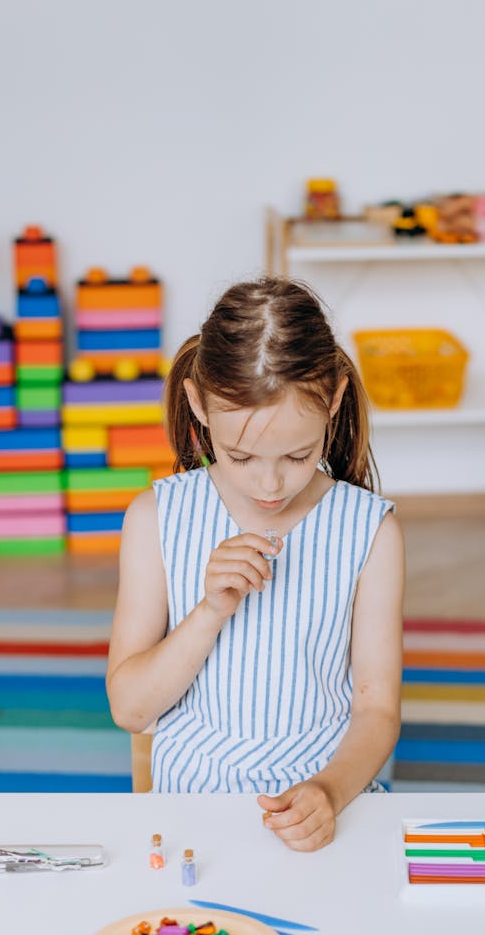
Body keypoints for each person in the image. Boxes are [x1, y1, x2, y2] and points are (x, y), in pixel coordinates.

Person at [107, 277, 404, 852]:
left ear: (335, 401)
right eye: (241, 456)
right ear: (198, 404)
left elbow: (377, 709)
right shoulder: (156, 518)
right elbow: (130, 708)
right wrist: (210, 612)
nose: (270, 485)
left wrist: (328, 791)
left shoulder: (371, 531)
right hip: (193, 807)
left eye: (297, 455)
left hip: (327, 801)